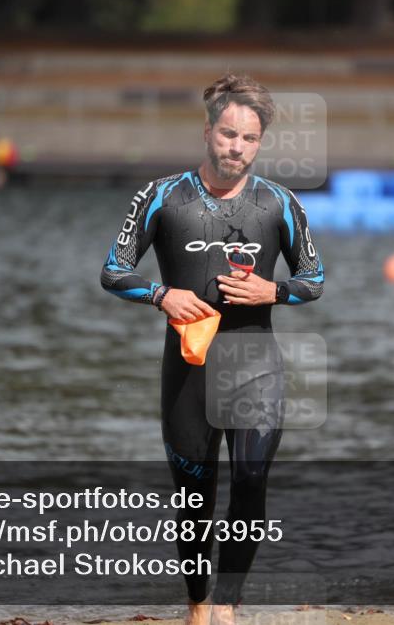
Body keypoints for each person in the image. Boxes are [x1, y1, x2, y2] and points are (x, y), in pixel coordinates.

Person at [100, 74, 324, 625]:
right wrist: (161, 294)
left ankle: (227, 603)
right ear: (207, 131)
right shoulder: (159, 197)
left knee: (250, 479)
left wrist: (274, 290)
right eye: (227, 134)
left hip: (255, 365)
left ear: (260, 143)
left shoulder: (280, 203)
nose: (236, 148)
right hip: (188, 368)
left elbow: (314, 278)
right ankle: (198, 606)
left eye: (248, 139)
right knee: (194, 494)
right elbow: (112, 271)